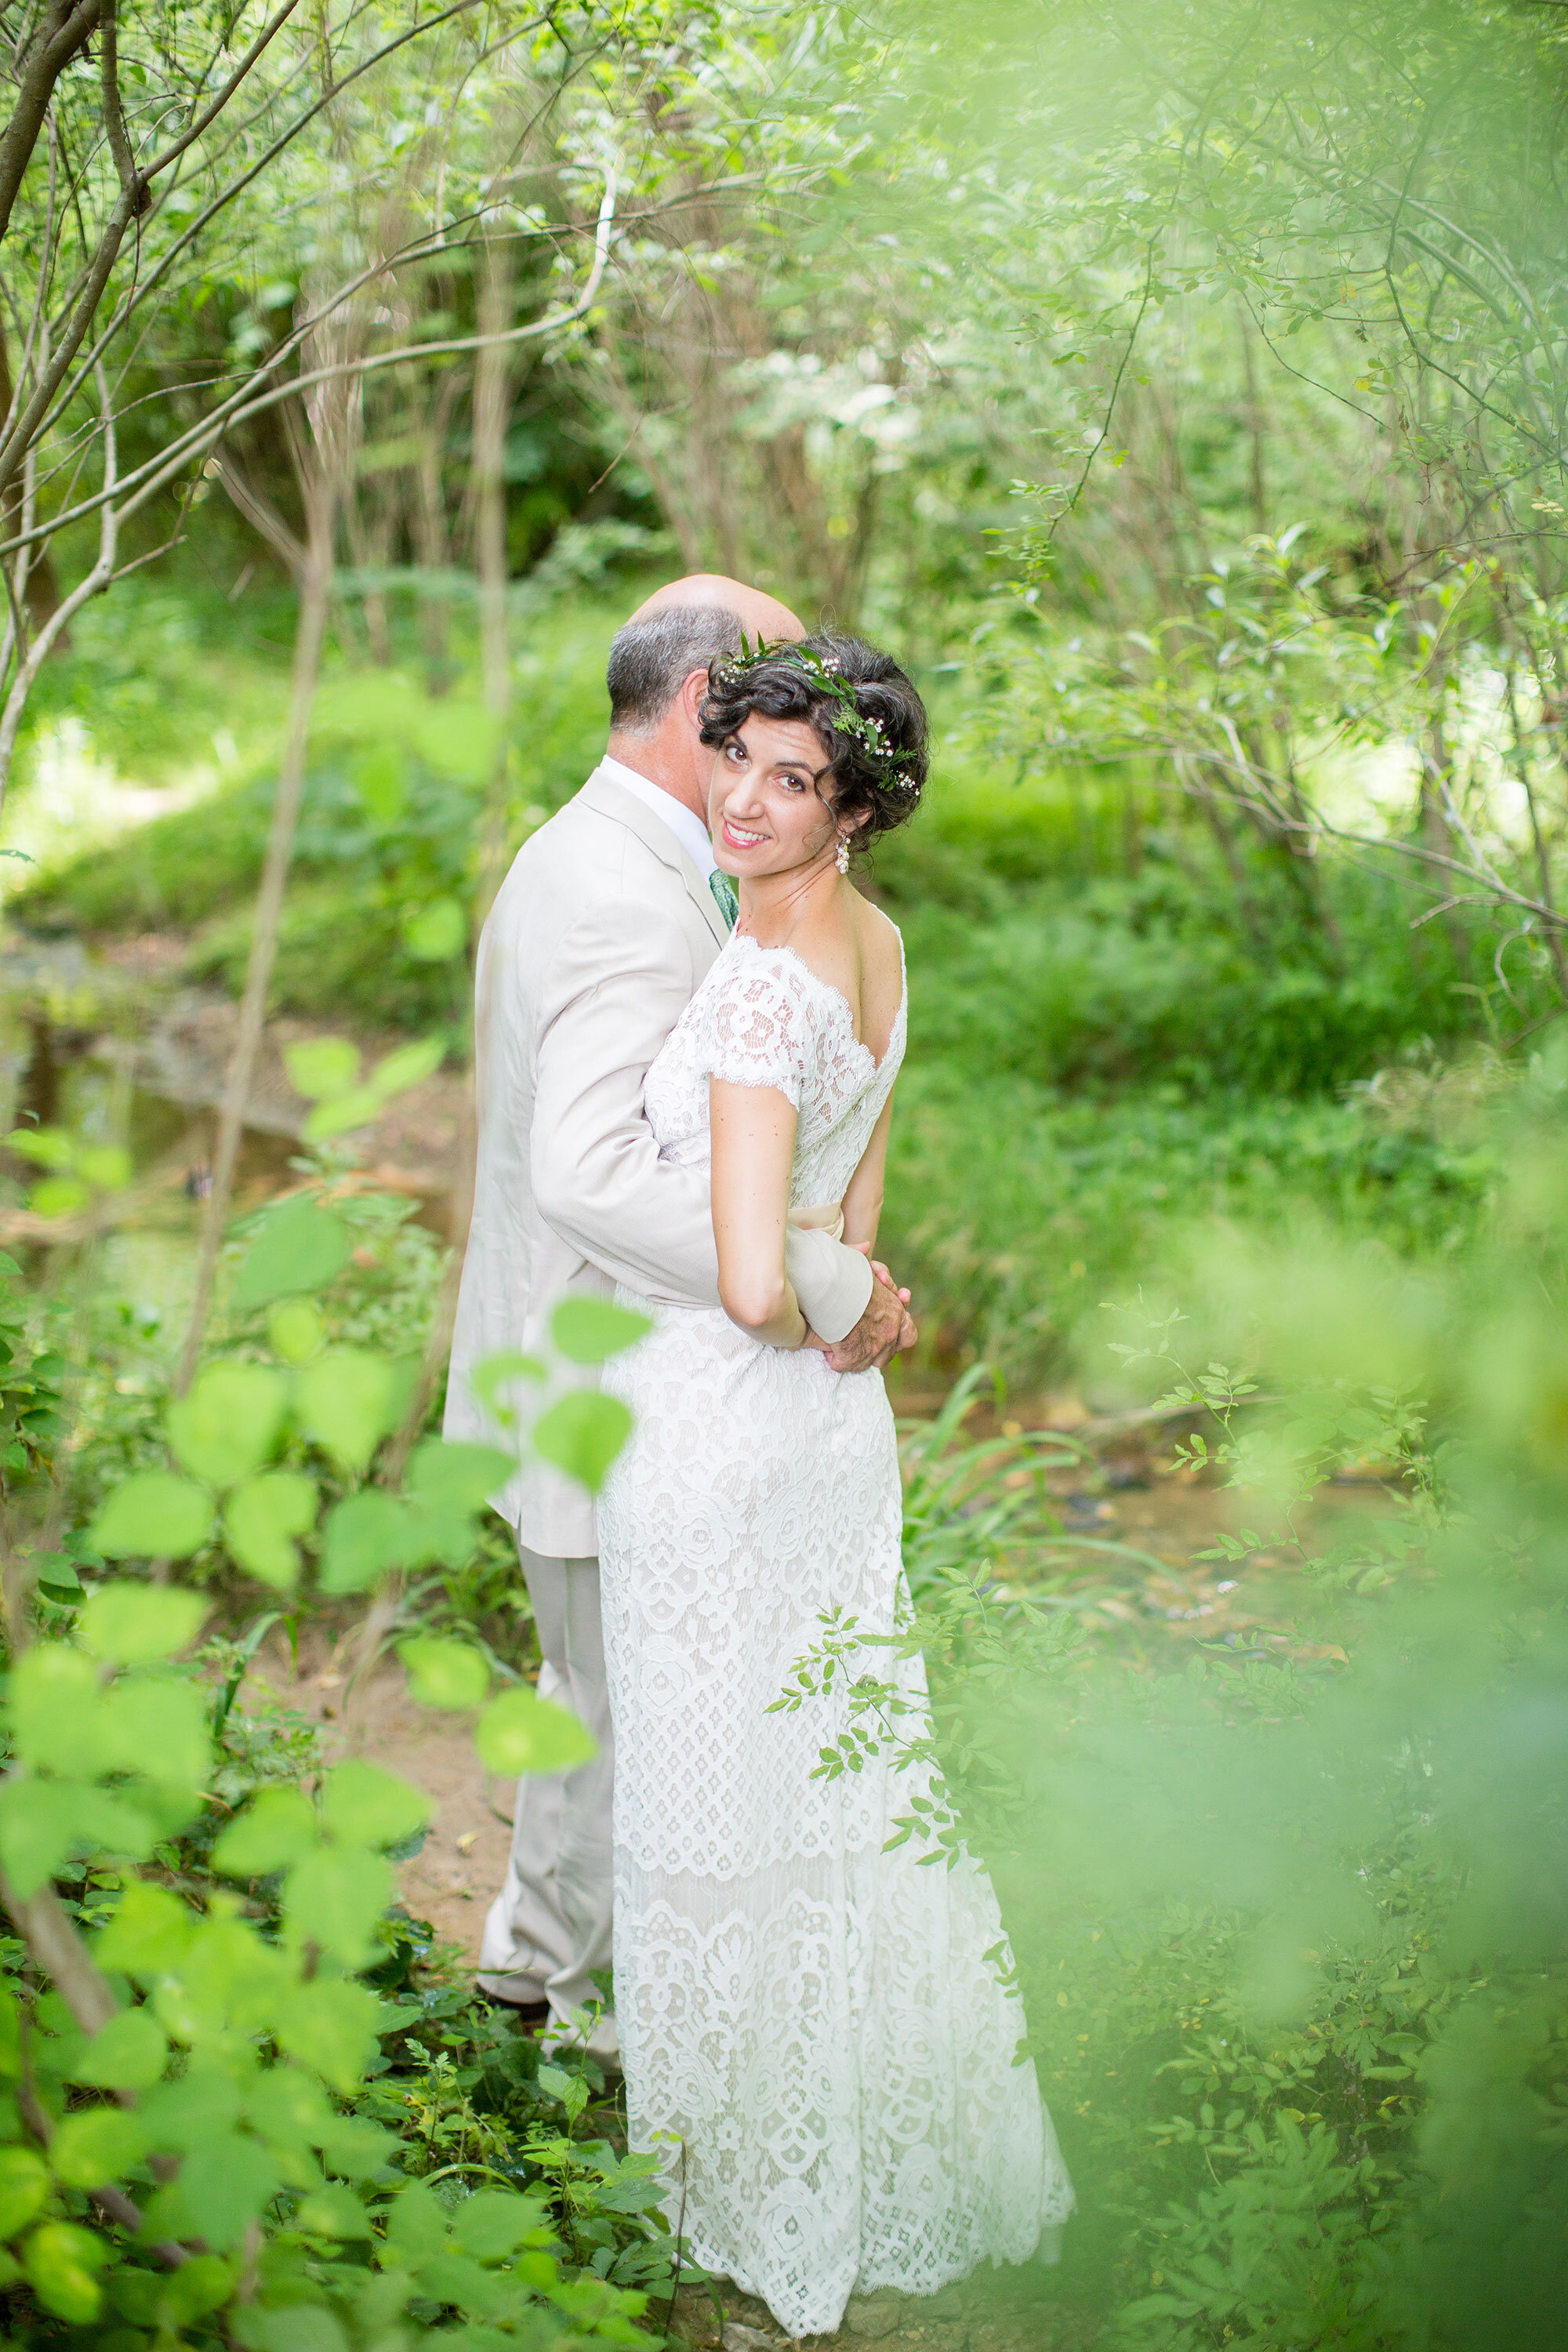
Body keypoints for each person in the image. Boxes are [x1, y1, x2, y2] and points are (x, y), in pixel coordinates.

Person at [596, 633, 1073, 2335]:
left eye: (794, 777)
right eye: (736, 754)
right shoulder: (877, 951)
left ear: (856, 804)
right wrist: (864, 1299)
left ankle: (747, 2195)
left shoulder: (753, 981)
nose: (744, 794)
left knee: (722, 1800)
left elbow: (742, 1279)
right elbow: (850, 1231)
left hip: (721, 1430)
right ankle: (864, 2156)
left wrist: (824, 1287)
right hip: (822, 1432)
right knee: (839, 1785)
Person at [445, 576, 916, 2053]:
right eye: (749, 716)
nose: (757, 756)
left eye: (794, 761)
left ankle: (559, 1982)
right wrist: (817, 1278)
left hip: (689, 1382)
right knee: (613, 1710)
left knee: (633, 1706)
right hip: (610, 1368)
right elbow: (585, 1174)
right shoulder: (608, 887)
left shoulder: (665, 864)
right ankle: (565, 2009)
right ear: (698, 699)